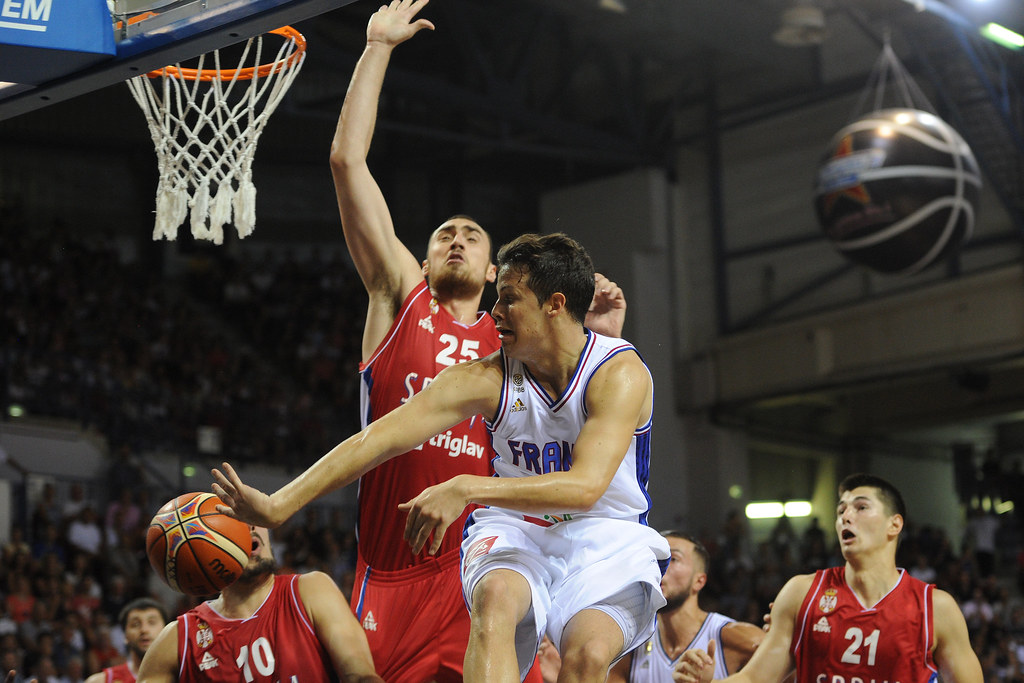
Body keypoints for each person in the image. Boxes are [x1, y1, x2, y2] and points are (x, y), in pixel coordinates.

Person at [212, 232, 668, 683]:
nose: (496, 312)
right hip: (519, 528)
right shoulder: (484, 377)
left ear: (554, 303)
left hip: (605, 535)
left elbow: (584, 488)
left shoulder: (620, 373)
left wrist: (465, 487)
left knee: (586, 658)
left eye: (510, 299)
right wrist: (279, 504)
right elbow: (377, 439)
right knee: (494, 602)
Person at [327, 1, 626, 680]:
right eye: (442, 235)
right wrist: (377, 47)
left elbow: (578, 432)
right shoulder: (398, 297)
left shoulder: (517, 347)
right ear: (424, 261)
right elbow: (347, 161)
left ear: (497, 273)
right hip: (393, 568)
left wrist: (601, 341)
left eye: (470, 235)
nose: (455, 238)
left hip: (486, 560)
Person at [675, 473, 983, 683]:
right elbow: (756, 678)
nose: (846, 517)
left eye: (861, 507)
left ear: (894, 524)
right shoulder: (801, 592)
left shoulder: (935, 608)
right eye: (841, 511)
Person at [135, 525, 382, 683]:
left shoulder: (310, 590)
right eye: (236, 520)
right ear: (207, 547)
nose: (251, 526)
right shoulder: (179, 639)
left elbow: (359, 675)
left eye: (255, 516)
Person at [603, 532, 764, 683]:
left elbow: (786, 674)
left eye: (673, 559)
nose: (658, 568)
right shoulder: (629, 646)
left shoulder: (738, 637)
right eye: (653, 559)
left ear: (698, 581)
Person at [84, 598, 167, 683]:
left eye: (151, 622)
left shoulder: (179, 677)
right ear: (125, 636)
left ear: (166, 631)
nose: (144, 629)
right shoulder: (101, 681)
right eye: (135, 624)